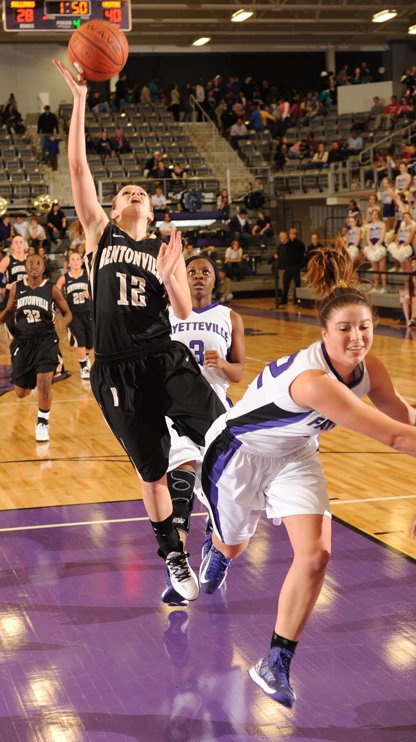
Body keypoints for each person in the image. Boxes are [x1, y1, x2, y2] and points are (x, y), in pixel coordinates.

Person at [198, 247, 416, 708]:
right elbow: (397, 439)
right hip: (238, 453)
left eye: (365, 327)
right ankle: (217, 543)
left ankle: (274, 661)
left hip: (295, 453)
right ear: (324, 333)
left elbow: (403, 416)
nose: (357, 338)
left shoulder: (368, 367)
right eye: (345, 329)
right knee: (234, 545)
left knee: (316, 554)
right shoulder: (315, 381)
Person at [54, 58, 223, 603]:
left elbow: (180, 310)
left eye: (140, 193)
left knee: (222, 438)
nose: (131, 193)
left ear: (150, 211)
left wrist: (174, 271)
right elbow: (79, 170)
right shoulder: (100, 236)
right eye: (124, 190)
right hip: (115, 369)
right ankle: (173, 555)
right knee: (151, 474)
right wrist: (81, 101)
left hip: (164, 355)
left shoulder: (161, 248)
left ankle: (227, 526)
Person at [162, 256, 245, 605]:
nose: (197, 276)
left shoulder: (229, 316)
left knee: (218, 493)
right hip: (175, 409)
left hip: (215, 412)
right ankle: (178, 569)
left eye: (205, 272)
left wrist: (223, 364)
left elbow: (239, 372)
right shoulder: (167, 313)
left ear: (215, 280)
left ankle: (216, 547)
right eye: (192, 271)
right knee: (179, 480)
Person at [0, 254, 72, 442]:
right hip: (23, 341)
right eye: (30, 263)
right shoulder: (17, 287)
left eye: (38, 263)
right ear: (25, 267)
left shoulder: (52, 289)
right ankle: (31, 379)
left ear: (44, 268)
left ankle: (42, 423)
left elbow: (67, 313)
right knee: (21, 393)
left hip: (46, 340)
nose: (34, 266)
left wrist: (63, 321)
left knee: (44, 383)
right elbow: (10, 310)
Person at [55, 247, 93, 379]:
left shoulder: (88, 275)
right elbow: (55, 292)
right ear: (69, 263)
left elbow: (99, 288)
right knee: (79, 341)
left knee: (90, 343)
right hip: (73, 314)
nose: (76, 261)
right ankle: (84, 368)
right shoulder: (64, 278)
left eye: (78, 259)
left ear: (81, 262)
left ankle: (85, 358)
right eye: (73, 259)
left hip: (89, 312)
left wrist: (91, 293)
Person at [364, 208, 388, 292]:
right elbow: (367, 238)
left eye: (376, 214)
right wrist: (371, 245)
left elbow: (382, 236)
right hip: (372, 246)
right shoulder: (369, 226)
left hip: (380, 245)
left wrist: (377, 245)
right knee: (375, 269)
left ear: (378, 215)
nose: (374, 216)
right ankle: (376, 286)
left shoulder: (382, 224)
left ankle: (384, 287)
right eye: (373, 214)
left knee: (382, 268)